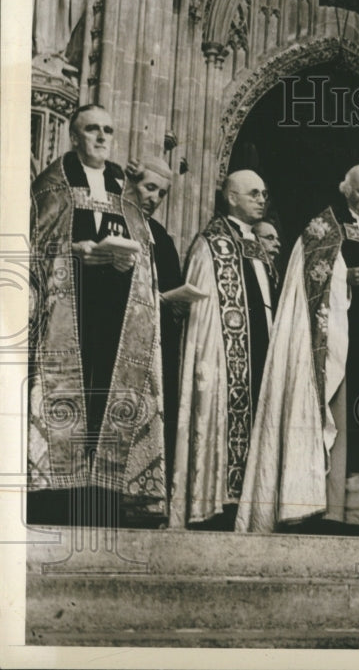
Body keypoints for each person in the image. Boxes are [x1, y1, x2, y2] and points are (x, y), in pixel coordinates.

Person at [236, 164, 359, 535]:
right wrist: (347, 279)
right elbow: (310, 280)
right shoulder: (323, 229)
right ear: (346, 191)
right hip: (337, 343)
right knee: (341, 420)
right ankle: (331, 510)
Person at [28, 104, 167, 526]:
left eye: (108, 129)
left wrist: (130, 265)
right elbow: (35, 247)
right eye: (92, 129)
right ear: (74, 137)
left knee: (108, 401)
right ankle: (54, 498)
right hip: (68, 315)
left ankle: (106, 497)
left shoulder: (124, 192)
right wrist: (76, 251)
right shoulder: (51, 185)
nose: (102, 137)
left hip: (116, 318)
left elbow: (144, 254)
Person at [171, 169, 278, 529]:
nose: (262, 199)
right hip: (224, 362)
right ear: (231, 197)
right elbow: (202, 317)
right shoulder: (211, 244)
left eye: (264, 193)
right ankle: (216, 507)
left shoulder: (258, 245)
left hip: (261, 353)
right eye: (253, 193)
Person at [124, 156, 184, 495]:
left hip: (155, 343)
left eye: (161, 193)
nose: (154, 198)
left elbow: (172, 287)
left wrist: (174, 301)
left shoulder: (161, 236)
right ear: (133, 183)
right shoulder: (114, 220)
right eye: (150, 188)